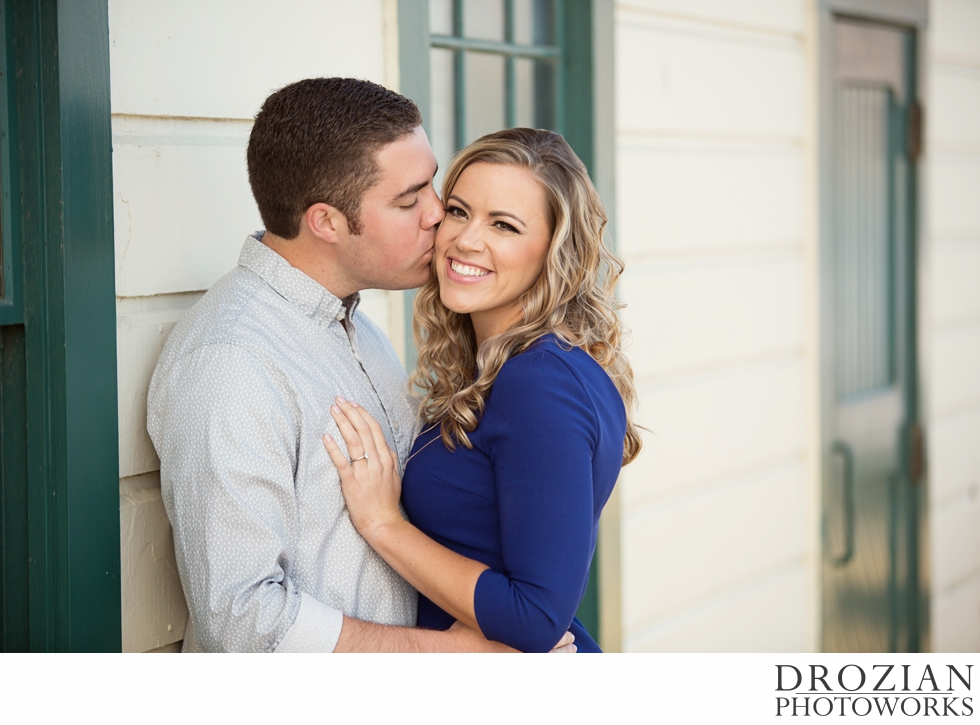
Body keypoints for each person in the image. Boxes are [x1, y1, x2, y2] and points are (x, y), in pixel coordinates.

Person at [146, 78, 574, 652]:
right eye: (409, 200)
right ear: (326, 222)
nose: (439, 216)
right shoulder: (230, 366)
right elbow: (241, 620)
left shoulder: (358, 330)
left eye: (433, 186)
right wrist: (458, 657)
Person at [322, 128, 643, 652]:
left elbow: (535, 615)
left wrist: (384, 523)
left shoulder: (540, 382)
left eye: (504, 225)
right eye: (458, 211)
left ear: (554, 250)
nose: (466, 240)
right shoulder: (506, 368)